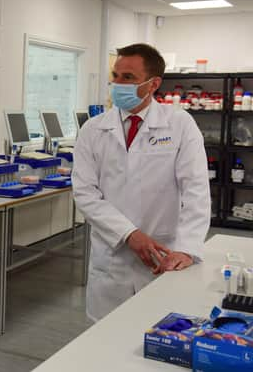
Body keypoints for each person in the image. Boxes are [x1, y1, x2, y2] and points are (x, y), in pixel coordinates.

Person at [72, 43, 211, 321]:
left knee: (158, 336)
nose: (117, 84)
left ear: (153, 84)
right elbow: (85, 193)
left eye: (128, 78)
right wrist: (129, 234)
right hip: (113, 255)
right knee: (106, 342)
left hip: (163, 255)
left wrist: (186, 248)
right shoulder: (93, 129)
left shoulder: (180, 124)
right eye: (115, 75)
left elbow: (196, 190)